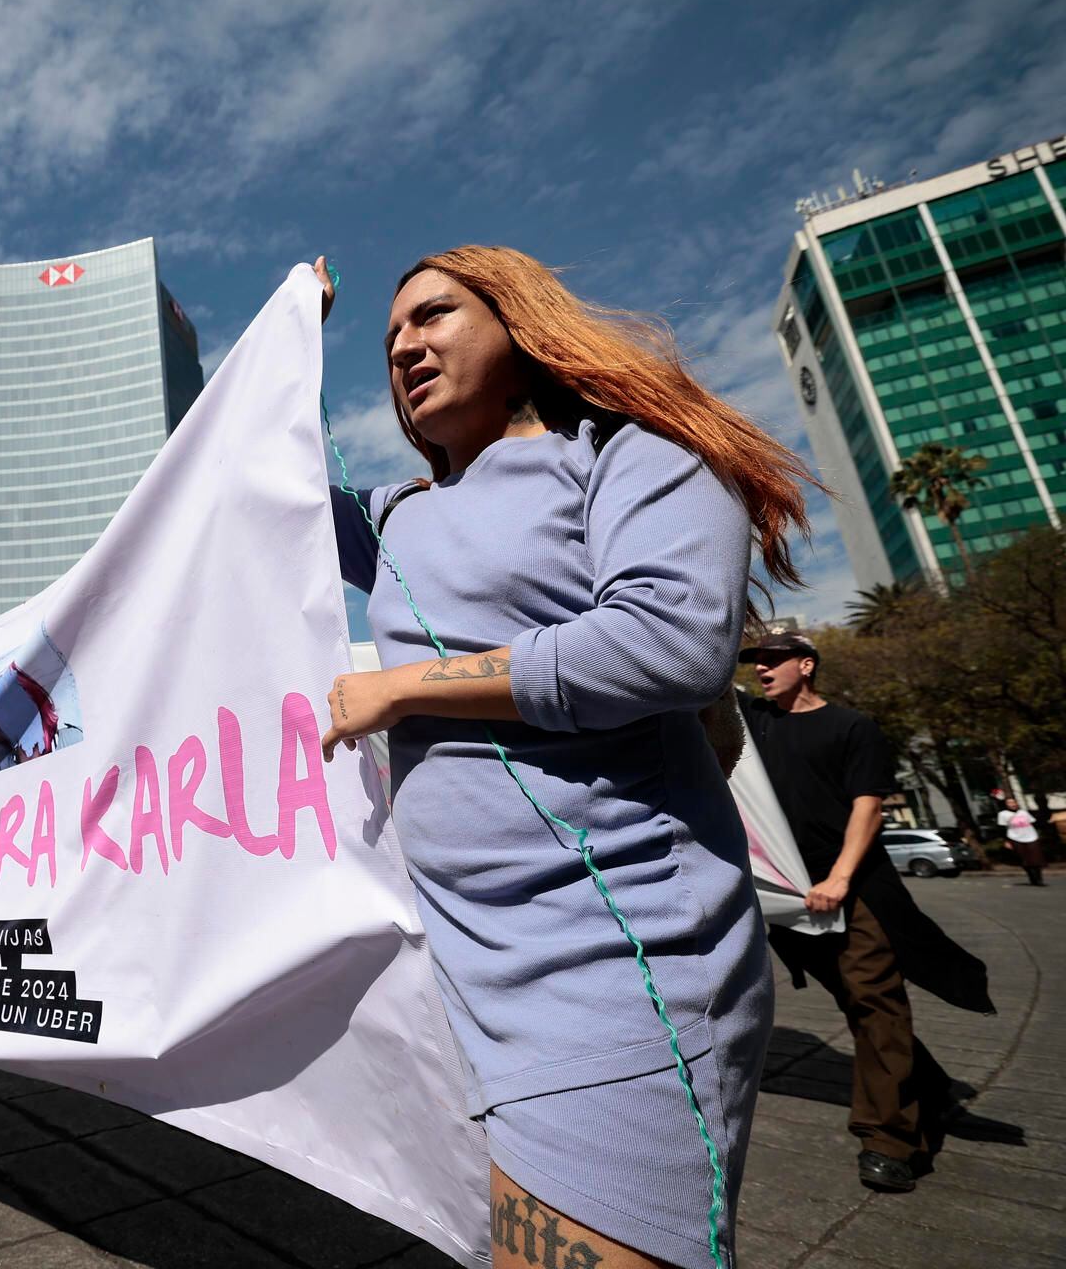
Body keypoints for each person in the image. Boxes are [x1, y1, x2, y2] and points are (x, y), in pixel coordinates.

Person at [316, 248, 810, 1268]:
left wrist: (405, 686)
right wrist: (290, 343)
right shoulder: (399, 516)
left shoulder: (631, 449)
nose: (406, 341)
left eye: (435, 313)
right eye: (390, 334)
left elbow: (670, 636)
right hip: (471, 979)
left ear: (519, 317)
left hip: (615, 969)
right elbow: (250, 496)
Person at [740, 632, 993, 1193]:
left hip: (853, 892)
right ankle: (927, 1086)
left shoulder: (853, 726)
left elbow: (869, 808)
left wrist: (840, 878)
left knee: (876, 1002)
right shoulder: (754, 722)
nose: (762, 668)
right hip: (791, 896)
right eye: (757, 661)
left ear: (806, 665)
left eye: (774, 659)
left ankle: (891, 1140)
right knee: (855, 1003)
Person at [997, 797, 1046, 886]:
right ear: (1006, 804)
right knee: (1025, 859)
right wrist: (1006, 841)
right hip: (1015, 838)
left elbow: (1034, 822)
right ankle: (1032, 878)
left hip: (1031, 837)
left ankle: (1039, 879)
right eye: (1010, 803)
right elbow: (1001, 829)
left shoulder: (1023, 812)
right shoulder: (1003, 814)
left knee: (1036, 859)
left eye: (1014, 802)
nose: (1012, 804)